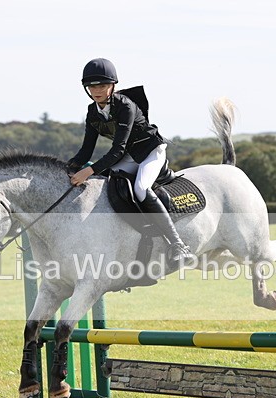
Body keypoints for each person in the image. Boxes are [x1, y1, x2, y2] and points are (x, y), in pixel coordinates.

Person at [67, 58, 195, 266]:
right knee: (105, 183)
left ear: (112, 86)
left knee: (141, 188)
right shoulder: (92, 112)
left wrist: (88, 171)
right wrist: (68, 168)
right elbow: (86, 150)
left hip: (150, 152)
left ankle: (178, 245)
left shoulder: (125, 106)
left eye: (102, 85)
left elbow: (117, 149)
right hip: (128, 156)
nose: (96, 90)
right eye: (92, 86)